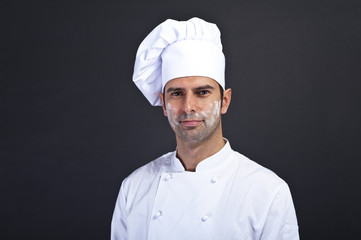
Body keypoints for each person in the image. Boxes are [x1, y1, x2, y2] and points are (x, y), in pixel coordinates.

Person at [111, 17, 299, 240]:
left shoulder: (268, 192)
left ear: (225, 101)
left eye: (202, 92)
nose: (188, 107)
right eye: (177, 93)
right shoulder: (134, 187)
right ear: (163, 103)